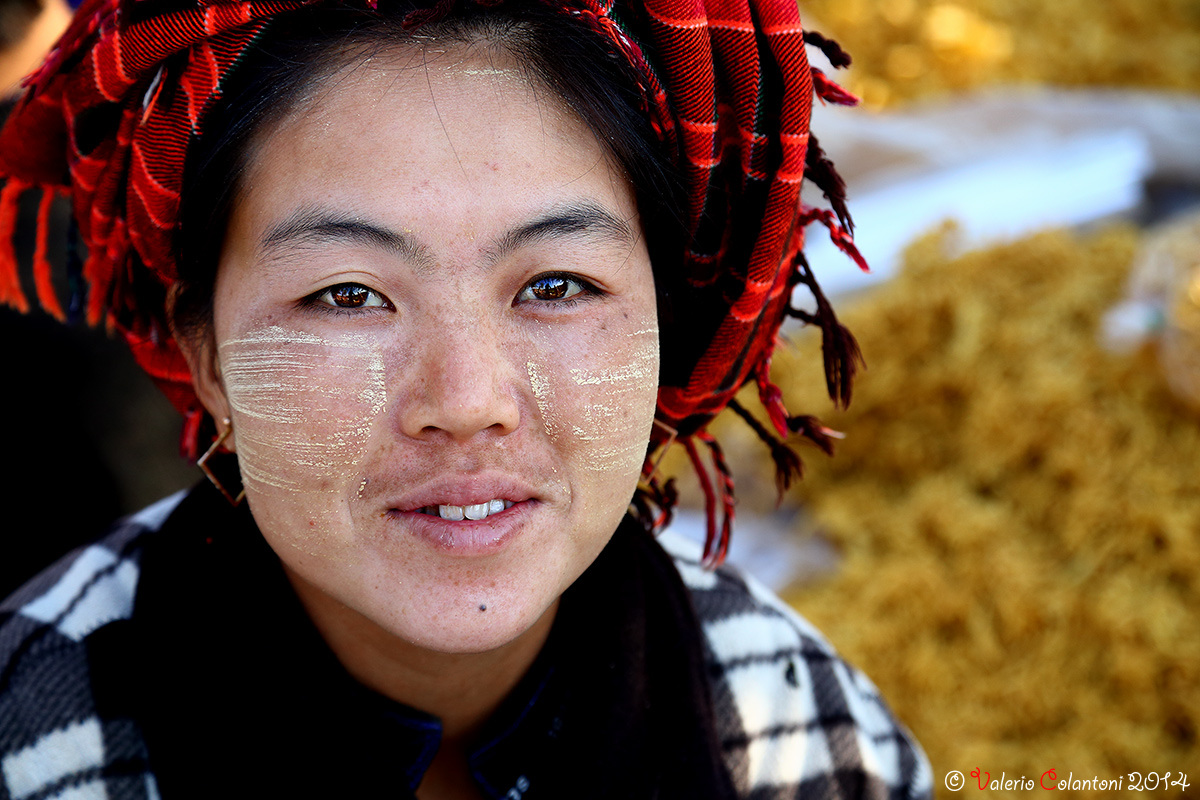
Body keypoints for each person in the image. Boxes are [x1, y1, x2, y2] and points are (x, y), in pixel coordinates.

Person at [0, 0, 932, 797]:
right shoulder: (30, 732)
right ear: (203, 353)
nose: (467, 399)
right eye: (347, 294)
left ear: (664, 323)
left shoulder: (802, 731)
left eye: (557, 284)